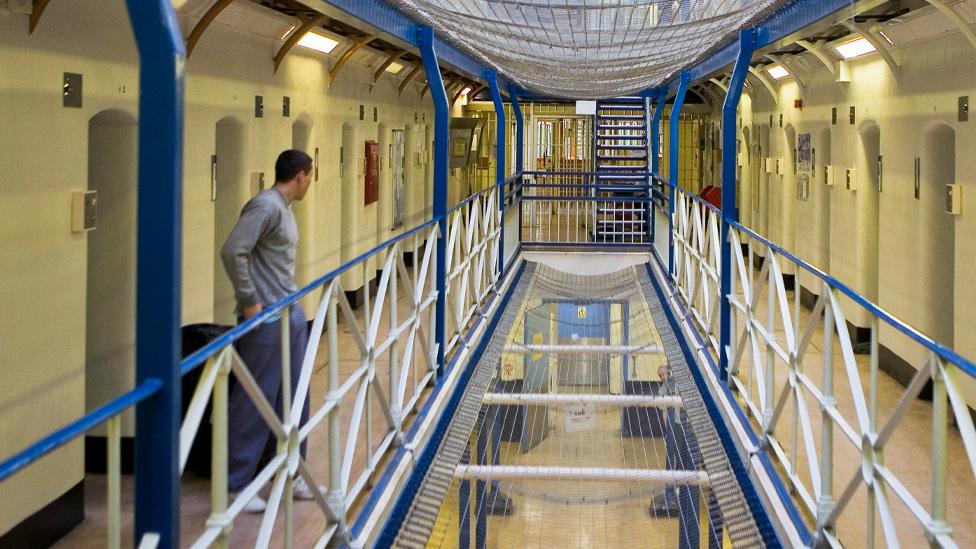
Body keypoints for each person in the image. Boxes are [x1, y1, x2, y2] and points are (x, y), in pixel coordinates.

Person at [220, 149, 316, 513]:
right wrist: (249, 301)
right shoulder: (265, 207)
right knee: (254, 400)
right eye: (310, 177)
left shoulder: (283, 209)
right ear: (302, 176)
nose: (310, 183)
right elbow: (233, 251)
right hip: (264, 320)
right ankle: (237, 484)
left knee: (293, 397)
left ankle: (292, 471)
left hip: (288, 313)